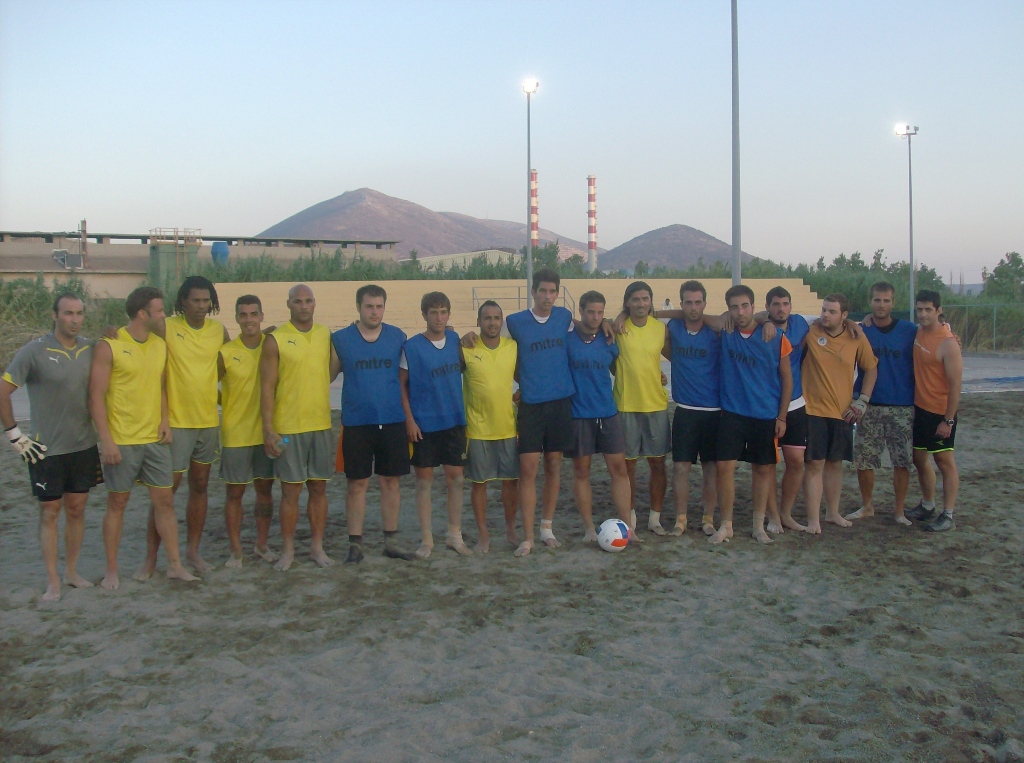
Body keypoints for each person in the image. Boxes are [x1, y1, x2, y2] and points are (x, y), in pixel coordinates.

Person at [88, 286, 197, 588]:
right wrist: (106, 440)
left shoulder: (159, 345)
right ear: (142, 313)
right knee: (117, 505)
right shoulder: (109, 345)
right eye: (160, 310)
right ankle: (112, 570)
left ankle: (174, 565)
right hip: (122, 440)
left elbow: (160, 386)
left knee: (165, 502)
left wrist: (164, 419)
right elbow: (95, 397)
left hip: (155, 439)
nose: (164, 315)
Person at [1, 291, 102, 601]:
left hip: (83, 445)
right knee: (49, 511)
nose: (74, 319)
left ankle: (71, 572)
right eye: (68, 313)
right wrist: (15, 435)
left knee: (76, 509)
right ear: (55, 315)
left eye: (79, 313)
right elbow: (3, 391)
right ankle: (52, 581)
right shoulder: (34, 351)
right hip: (45, 449)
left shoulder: (91, 349)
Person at [330, 284, 416, 563]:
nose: (374, 311)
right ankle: (355, 544)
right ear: (358, 307)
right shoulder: (340, 340)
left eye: (379, 306)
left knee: (391, 482)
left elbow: (411, 374)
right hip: (356, 422)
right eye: (369, 306)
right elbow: (324, 376)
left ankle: (390, 541)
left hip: (392, 420)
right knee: (357, 484)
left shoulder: (397, 336)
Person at [152, 275, 229, 575]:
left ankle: (193, 552)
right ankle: (152, 557)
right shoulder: (167, 327)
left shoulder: (217, 330)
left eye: (205, 300)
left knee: (200, 486)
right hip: (175, 423)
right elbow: (135, 335)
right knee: (165, 493)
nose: (200, 306)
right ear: (182, 301)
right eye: (194, 300)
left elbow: (233, 362)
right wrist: (109, 333)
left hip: (208, 421)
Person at [499, 268, 577, 557]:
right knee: (528, 469)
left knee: (554, 466)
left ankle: (547, 528)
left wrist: (608, 322)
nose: (547, 296)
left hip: (560, 402)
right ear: (533, 292)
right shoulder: (515, 322)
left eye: (552, 291)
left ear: (557, 293)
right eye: (542, 291)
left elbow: (582, 333)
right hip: (531, 405)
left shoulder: (564, 317)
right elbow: (496, 348)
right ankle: (528, 537)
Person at [260, 284, 334, 571]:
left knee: (318, 488)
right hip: (288, 429)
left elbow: (332, 369)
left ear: (315, 304)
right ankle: (288, 550)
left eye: (308, 301)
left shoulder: (325, 334)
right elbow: (266, 388)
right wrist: (269, 429)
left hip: (320, 425)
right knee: (291, 491)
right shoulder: (276, 339)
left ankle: (317, 547)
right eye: (298, 301)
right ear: (289, 304)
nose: (304, 306)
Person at [712, 285, 792, 545]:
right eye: (734, 307)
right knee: (724, 467)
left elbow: (787, 379)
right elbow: (698, 317)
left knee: (763, 470)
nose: (740, 311)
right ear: (728, 308)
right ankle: (726, 525)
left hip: (765, 414)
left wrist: (782, 417)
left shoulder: (775, 336)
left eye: (745, 306)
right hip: (732, 412)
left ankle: (759, 525)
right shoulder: (725, 331)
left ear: (754, 305)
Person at [399, 291, 471, 559]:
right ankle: (427, 540)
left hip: (453, 421)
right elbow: (401, 384)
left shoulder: (455, 340)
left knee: (456, 479)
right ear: (424, 315)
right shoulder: (412, 347)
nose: (439, 317)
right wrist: (409, 419)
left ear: (449, 314)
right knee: (425, 482)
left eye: (443, 312)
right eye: (433, 312)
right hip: (424, 424)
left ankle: (454, 535)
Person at [799, 294, 877, 534]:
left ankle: (832, 513)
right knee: (814, 464)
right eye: (824, 310)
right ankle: (813, 520)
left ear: (844, 315)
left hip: (842, 411)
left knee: (834, 464)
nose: (825, 315)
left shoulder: (856, 336)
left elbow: (871, 368)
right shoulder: (810, 330)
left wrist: (862, 401)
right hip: (812, 409)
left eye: (832, 311)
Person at [845, 282, 917, 526]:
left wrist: (953, 338)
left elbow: (935, 337)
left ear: (893, 303)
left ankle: (899, 511)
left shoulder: (909, 330)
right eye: (877, 300)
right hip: (869, 405)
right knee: (864, 460)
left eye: (886, 300)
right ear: (870, 302)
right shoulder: (860, 330)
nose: (881, 305)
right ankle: (867, 506)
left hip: (902, 406)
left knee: (901, 461)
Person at [564, 291, 633, 541]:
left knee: (619, 469)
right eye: (590, 312)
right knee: (582, 471)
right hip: (578, 414)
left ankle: (628, 527)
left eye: (600, 312)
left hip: (607, 412)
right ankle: (589, 529)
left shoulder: (609, 338)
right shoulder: (567, 340)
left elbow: (616, 368)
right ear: (580, 311)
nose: (595, 317)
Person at [218, 295, 278, 567]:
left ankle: (261, 545)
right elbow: (209, 387)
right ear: (237, 318)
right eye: (244, 315)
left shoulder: (273, 346)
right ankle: (235, 551)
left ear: (262, 316)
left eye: (254, 314)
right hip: (236, 434)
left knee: (265, 491)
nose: (249, 320)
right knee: (234, 494)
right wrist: (227, 403)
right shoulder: (226, 352)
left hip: (267, 434)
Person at [613, 281, 671, 535]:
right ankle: (631, 516)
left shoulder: (660, 329)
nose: (640, 303)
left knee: (658, 464)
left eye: (645, 298)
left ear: (651, 301)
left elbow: (672, 356)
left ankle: (655, 518)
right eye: (635, 299)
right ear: (627, 302)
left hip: (656, 405)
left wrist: (656, 373)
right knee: (628, 467)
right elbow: (609, 361)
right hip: (626, 406)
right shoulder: (618, 328)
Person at [461, 301, 519, 554]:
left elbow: (525, 376)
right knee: (479, 483)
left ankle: (510, 530)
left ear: (502, 321)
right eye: (487, 318)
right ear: (478, 321)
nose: (492, 323)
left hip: (507, 427)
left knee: (510, 482)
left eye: (497, 318)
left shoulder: (513, 347)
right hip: (477, 429)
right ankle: (483, 534)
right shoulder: (466, 348)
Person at [663, 281, 720, 536]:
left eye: (698, 302)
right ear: (681, 303)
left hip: (713, 410)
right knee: (680, 467)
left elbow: (734, 318)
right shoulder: (674, 328)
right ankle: (680, 519)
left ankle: (708, 519)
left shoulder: (717, 331)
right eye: (688, 302)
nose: (693, 307)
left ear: (705, 304)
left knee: (711, 468)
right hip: (684, 409)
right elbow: (668, 352)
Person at [904, 290, 962, 532]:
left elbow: (956, 385)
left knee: (944, 461)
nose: (923, 314)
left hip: (940, 413)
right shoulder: (917, 331)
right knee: (919, 458)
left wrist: (947, 421)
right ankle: (927, 505)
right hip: (920, 409)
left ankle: (947, 514)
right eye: (920, 309)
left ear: (939, 311)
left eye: (928, 309)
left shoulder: (948, 343)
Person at [760, 286, 812, 534]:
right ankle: (772, 516)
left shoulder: (800, 323)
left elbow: (829, 321)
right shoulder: (760, 327)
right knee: (768, 463)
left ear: (790, 306)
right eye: (775, 304)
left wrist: (859, 323)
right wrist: (762, 320)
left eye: (785, 303)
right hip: (768, 405)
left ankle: (786, 513)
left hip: (796, 403)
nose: (781, 308)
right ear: (768, 307)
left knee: (796, 461)